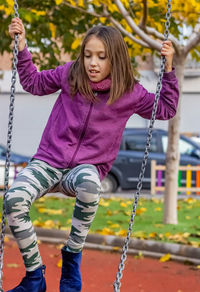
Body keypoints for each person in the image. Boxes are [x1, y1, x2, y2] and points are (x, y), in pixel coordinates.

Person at [6, 17, 179, 292]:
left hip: (85, 168)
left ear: (116, 59)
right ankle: (34, 276)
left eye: (101, 57)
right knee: (13, 199)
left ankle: (72, 258)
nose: (92, 63)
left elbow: (166, 109)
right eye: (88, 55)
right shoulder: (70, 74)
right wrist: (23, 47)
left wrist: (168, 70)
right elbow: (34, 83)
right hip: (49, 161)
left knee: (90, 184)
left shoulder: (128, 92)